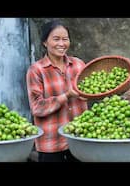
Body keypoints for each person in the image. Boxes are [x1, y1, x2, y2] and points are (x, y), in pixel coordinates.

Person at [26, 20, 88, 162]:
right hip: (51, 142)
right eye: (56, 39)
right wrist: (66, 96)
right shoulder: (36, 70)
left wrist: (86, 96)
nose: (62, 44)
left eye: (65, 39)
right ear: (45, 42)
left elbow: (87, 92)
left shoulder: (78, 64)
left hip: (79, 137)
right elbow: (37, 107)